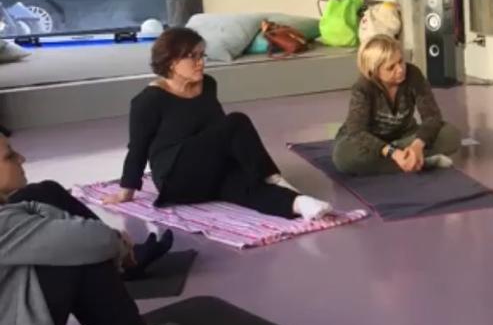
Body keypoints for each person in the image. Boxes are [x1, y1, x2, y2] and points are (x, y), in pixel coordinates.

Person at [0, 126, 196, 325]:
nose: (22, 158)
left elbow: (33, 207)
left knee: (46, 195)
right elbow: (95, 241)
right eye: (9, 157)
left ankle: (122, 322)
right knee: (81, 247)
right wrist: (114, 241)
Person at [106, 27, 332, 220]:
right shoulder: (148, 100)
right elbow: (138, 148)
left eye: (202, 55)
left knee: (245, 186)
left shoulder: (208, 84)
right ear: (172, 62)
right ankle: (273, 178)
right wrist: (127, 191)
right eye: (193, 57)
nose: (201, 62)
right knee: (236, 121)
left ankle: (300, 204)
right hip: (176, 178)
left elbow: (218, 131)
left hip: (206, 172)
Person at [332, 35, 462, 176]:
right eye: (391, 67)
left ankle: (409, 159)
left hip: (404, 137)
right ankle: (419, 162)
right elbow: (357, 131)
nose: (400, 69)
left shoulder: (413, 75)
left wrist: (417, 145)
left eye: (401, 61)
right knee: (343, 156)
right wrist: (393, 153)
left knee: (451, 135)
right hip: (371, 142)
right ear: (374, 72)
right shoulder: (363, 88)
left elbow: (432, 116)